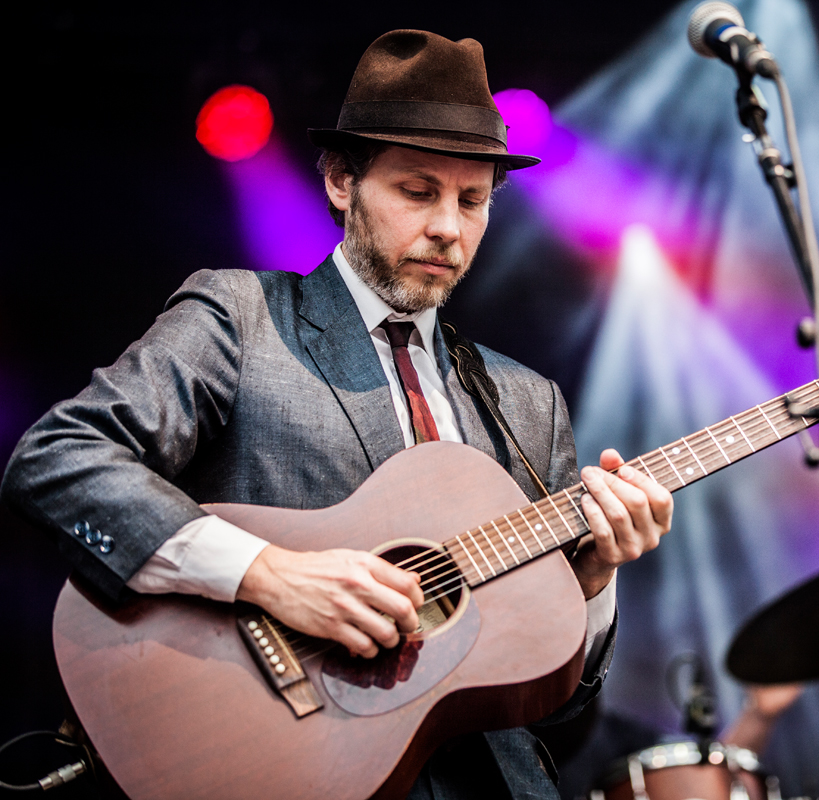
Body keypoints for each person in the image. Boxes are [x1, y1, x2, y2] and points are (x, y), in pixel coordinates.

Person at [1, 29, 673, 799]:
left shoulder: (529, 402)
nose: (449, 228)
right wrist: (270, 576)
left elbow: (558, 717)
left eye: (473, 200)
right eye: (419, 192)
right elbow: (57, 458)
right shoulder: (241, 317)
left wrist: (591, 582)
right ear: (342, 183)